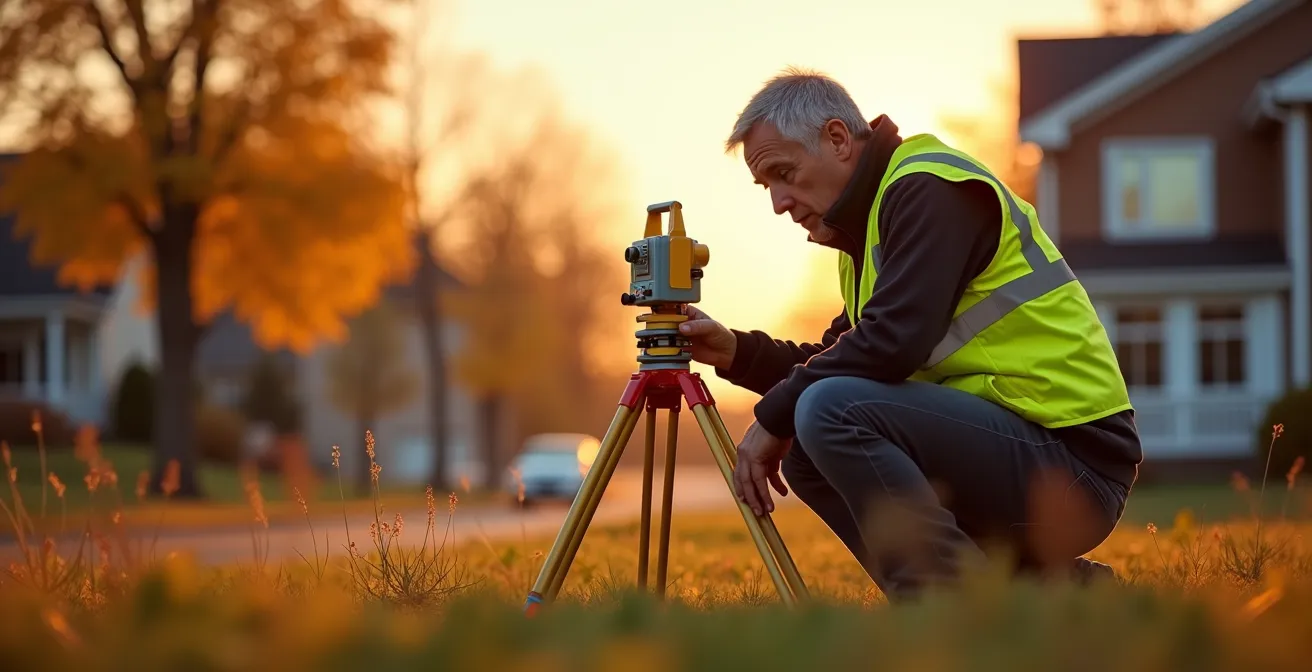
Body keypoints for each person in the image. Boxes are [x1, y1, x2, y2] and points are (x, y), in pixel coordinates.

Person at [678, 67, 1142, 602]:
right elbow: (838, 359)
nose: (779, 202)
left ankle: (946, 603)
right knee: (813, 427)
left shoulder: (928, 188)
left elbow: (890, 344)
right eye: (767, 186)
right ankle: (1046, 591)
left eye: (785, 173)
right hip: (1014, 453)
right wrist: (735, 352)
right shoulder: (870, 233)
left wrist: (772, 417)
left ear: (836, 139)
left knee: (825, 411)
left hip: (1074, 468)